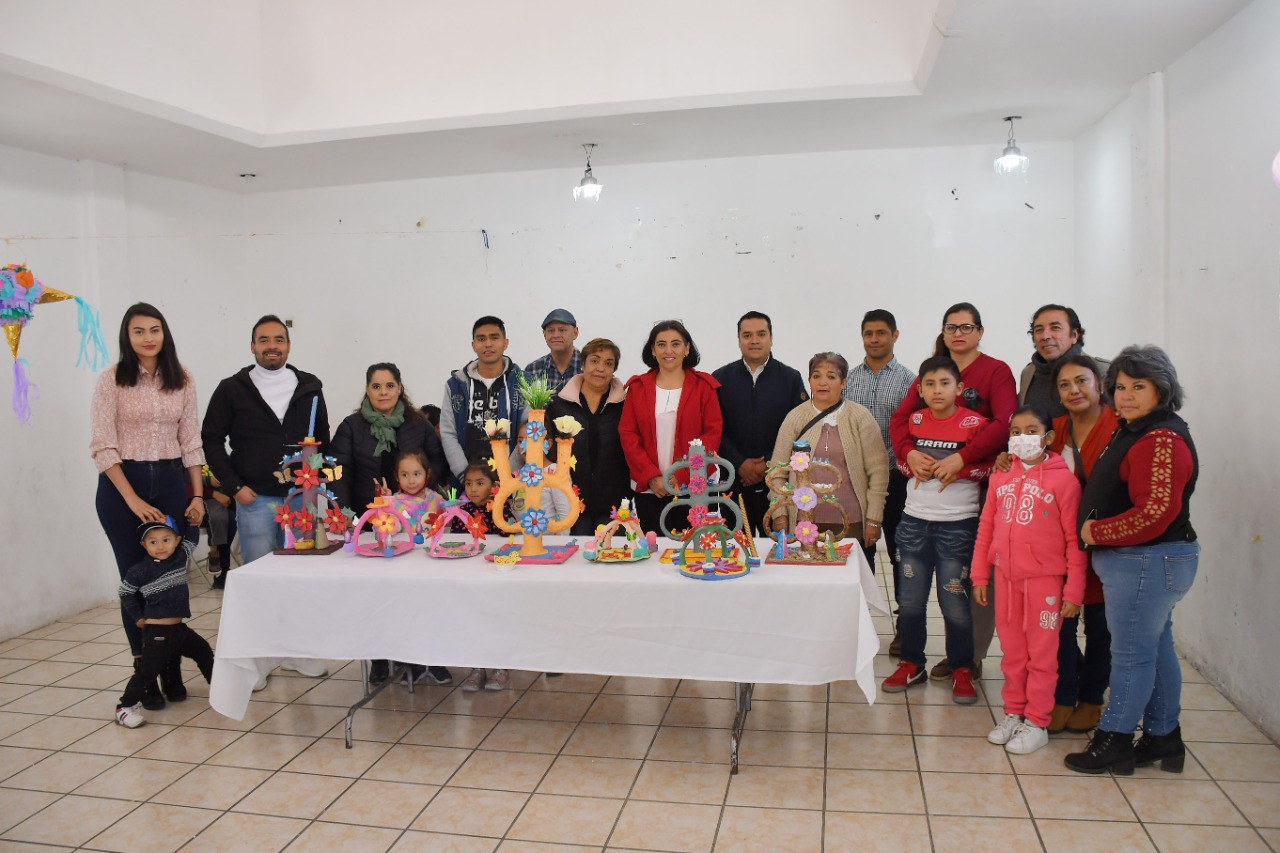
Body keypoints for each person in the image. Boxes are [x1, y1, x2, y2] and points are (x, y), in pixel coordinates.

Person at [1067, 345, 1199, 776]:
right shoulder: (1138, 429)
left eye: (1138, 387)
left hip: (1146, 561)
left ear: (1162, 389)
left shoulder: (1161, 438)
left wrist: (1093, 531)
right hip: (1142, 563)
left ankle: (1115, 740)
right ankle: (1163, 737)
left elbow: (1155, 512)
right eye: (1120, 387)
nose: (1125, 395)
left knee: (1132, 657)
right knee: (1156, 650)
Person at [890, 302, 1017, 682]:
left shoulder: (996, 371)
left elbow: (1005, 424)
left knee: (960, 593)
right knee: (912, 597)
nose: (958, 333)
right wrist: (908, 452)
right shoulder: (933, 371)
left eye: (966, 326)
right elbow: (899, 419)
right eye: (951, 327)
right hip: (920, 510)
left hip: (970, 500)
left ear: (980, 331)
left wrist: (963, 459)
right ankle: (916, 661)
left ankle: (967, 661)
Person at [201, 314, 330, 687]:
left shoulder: (310, 387)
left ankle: (292, 651)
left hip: (300, 500)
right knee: (258, 579)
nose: (271, 346)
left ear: (288, 345)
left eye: (279, 339)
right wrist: (234, 485)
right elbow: (211, 439)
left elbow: (320, 438)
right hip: (254, 499)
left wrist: (315, 484)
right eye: (263, 340)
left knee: (297, 578)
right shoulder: (231, 388)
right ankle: (258, 658)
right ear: (252, 345)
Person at [92, 303, 206, 711]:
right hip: (124, 486)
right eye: (138, 331)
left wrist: (196, 495)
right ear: (127, 337)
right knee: (136, 582)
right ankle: (146, 674)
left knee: (173, 577)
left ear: (165, 333)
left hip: (173, 481)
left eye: (155, 329)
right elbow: (103, 446)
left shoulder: (183, 378)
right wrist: (133, 499)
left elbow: (191, 440)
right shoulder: (111, 380)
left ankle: (171, 668)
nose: (148, 338)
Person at [974, 407, 1087, 755]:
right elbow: (986, 527)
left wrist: (1074, 590)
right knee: (1012, 653)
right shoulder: (1000, 476)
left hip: (1045, 584)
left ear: (1048, 437)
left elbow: (1074, 540)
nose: (1023, 438)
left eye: (1032, 430)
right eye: (1016, 431)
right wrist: (980, 573)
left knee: (1042, 654)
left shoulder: (1063, 480)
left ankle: (1037, 721)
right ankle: (1014, 713)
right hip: (1005, 579)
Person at [882, 356, 993, 705]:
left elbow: (990, 466)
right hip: (914, 522)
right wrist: (910, 461)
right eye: (929, 384)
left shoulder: (977, 423)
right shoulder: (913, 421)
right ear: (920, 390)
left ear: (959, 388)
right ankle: (912, 663)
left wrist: (959, 471)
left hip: (958, 526)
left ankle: (962, 667)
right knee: (911, 602)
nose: (937, 390)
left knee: (954, 603)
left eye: (945, 383)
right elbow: (902, 464)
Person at [1046, 354, 1119, 733]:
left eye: (1082, 381)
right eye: (1064, 384)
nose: (1074, 390)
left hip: (1108, 543)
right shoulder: (1055, 430)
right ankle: (1062, 695)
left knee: (1100, 627)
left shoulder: (1119, 427)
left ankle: (1092, 697)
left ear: (1099, 384)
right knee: (1061, 623)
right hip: (1063, 546)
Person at [843, 309, 914, 654]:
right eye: (868, 333)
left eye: (881, 333)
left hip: (898, 480)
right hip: (857, 484)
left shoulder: (908, 381)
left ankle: (905, 627)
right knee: (861, 553)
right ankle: (860, 626)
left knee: (901, 554)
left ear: (895, 336)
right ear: (862, 337)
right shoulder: (849, 380)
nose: (874, 339)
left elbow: (911, 431)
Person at [769, 352, 887, 546]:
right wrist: (780, 512)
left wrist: (874, 518)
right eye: (816, 376)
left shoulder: (860, 417)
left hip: (851, 520)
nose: (823, 382)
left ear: (843, 383)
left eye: (831, 377)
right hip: (802, 521)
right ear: (809, 380)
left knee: (850, 573)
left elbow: (878, 474)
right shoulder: (795, 418)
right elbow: (777, 471)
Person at [619, 320, 724, 532]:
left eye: (676, 344)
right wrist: (652, 477)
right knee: (653, 552)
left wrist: (682, 476)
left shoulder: (705, 387)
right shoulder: (637, 388)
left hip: (696, 486)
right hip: (651, 489)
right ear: (653, 350)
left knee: (697, 554)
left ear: (687, 349)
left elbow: (712, 433)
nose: (669, 350)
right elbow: (628, 435)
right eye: (661, 344)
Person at [114, 518, 215, 728]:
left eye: (166, 540)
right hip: (157, 631)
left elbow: (192, 541)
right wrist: (138, 617)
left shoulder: (179, 557)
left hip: (179, 629)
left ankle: (219, 689)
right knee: (148, 670)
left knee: (203, 650)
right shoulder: (140, 570)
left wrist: (194, 522)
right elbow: (125, 592)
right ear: (144, 545)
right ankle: (124, 708)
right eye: (153, 542)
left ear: (176, 541)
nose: (160, 547)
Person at [713, 311, 807, 536]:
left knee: (778, 554)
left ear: (771, 338)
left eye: (761, 334)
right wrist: (740, 464)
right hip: (732, 485)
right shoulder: (720, 378)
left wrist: (768, 463)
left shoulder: (791, 379)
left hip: (777, 485)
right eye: (747, 335)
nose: (754, 340)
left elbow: (801, 430)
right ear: (738, 341)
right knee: (734, 553)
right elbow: (714, 429)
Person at [367, 449, 450, 688]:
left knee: (433, 613)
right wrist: (382, 505)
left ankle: (436, 661)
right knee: (407, 614)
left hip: (432, 567)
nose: (411, 479)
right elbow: (380, 531)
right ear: (396, 477)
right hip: (402, 569)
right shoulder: (391, 502)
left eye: (416, 473)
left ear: (427, 474)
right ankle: (411, 662)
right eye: (405, 474)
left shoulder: (437, 499)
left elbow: (447, 529)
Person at [330, 362, 447, 514]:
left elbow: (438, 461)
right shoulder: (350, 427)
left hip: (413, 515)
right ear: (368, 390)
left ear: (399, 388)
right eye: (376, 386)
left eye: (390, 386)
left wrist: (419, 485)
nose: (383, 392)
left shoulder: (419, 424)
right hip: (363, 516)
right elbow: (338, 474)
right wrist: (343, 514)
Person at [546, 338, 631, 534]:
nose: (601, 368)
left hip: (615, 505)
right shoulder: (559, 404)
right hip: (570, 502)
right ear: (583, 364)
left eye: (608, 363)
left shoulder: (626, 406)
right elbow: (548, 451)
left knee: (613, 556)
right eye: (595, 360)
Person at [441, 316, 527, 489]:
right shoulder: (456, 385)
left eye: (494, 337)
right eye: (481, 339)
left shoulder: (524, 383)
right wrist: (469, 480)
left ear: (505, 342)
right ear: (473, 345)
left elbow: (529, 433)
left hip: (513, 484)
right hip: (467, 487)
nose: (488, 344)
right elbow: (448, 433)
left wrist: (507, 477)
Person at [1018, 304, 1112, 419]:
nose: (1045, 336)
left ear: (1074, 335)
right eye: (1039, 330)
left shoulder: (1101, 370)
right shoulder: (1028, 373)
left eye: (1055, 327)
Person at [524, 308, 583, 391]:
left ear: (575, 333)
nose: (556, 335)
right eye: (551, 330)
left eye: (562, 330)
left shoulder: (587, 368)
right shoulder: (533, 370)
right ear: (544, 335)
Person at [203, 467, 237, 589]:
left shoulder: (217, 457)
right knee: (220, 518)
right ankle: (216, 555)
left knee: (233, 518)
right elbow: (186, 484)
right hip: (200, 501)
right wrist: (210, 486)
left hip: (224, 498)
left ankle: (224, 570)